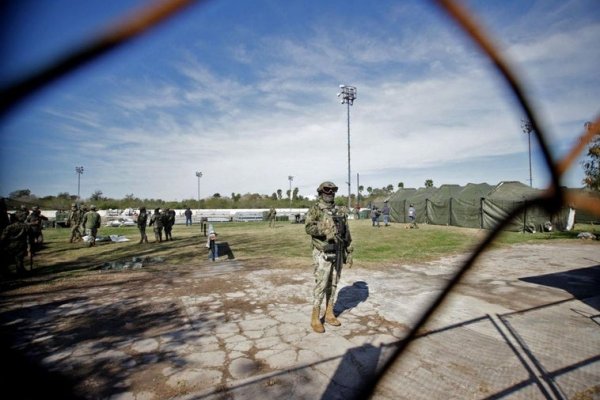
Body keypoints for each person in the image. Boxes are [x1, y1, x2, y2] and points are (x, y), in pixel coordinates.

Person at [305, 181, 353, 333]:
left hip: (338, 251)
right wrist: (324, 229)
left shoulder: (339, 211)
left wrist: (349, 249)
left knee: (333, 283)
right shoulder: (315, 209)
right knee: (322, 283)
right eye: (326, 190)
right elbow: (308, 227)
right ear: (320, 192)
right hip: (323, 252)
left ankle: (329, 313)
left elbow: (346, 231)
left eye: (333, 190)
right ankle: (315, 316)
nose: (330, 193)